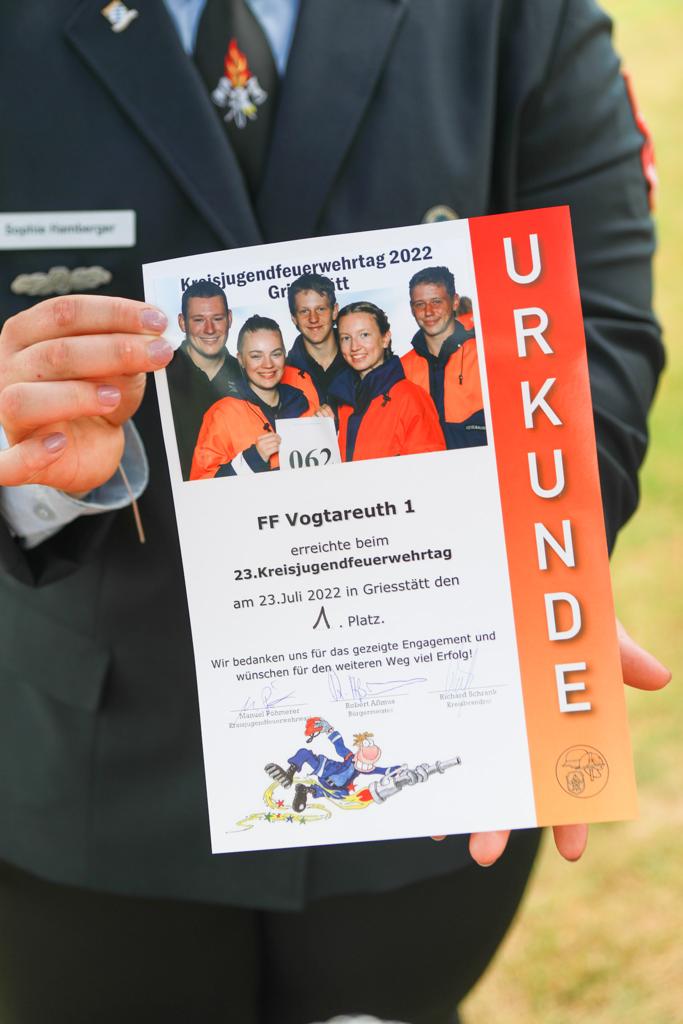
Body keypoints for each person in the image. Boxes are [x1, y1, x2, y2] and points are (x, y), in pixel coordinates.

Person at [0, 3, 671, 1022]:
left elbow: (594, 324)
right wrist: (33, 456)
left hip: (432, 745)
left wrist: (555, 543)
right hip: (91, 771)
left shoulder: (512, 18)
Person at [190, 314, 316, 478]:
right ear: (241, 360)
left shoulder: (306, 406)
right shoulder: (222, 414)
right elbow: (202, 485)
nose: (268, 364)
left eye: (276, 354)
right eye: (256, 356)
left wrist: (330, 430)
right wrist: (252, 460)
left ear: (285, 355)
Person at [329, 301, 446, 461]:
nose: (354, 347)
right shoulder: (341, 402)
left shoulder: (410, 398)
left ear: (385, 338)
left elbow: (429, 469)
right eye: (346, 338)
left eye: (364, 335)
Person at [402, 266, 487, 450]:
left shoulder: (484, 356)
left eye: (436, 301)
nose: (428, 311)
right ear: (412, 309)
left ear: (455, 302)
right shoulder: (401, 370)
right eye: (420, 304)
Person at [166, 280, 242, 478]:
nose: (209, 329)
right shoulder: (160, 376)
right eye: (199, 320)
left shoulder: (250, 377)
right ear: (182, 323)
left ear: (229, 319)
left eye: (217, 318)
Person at [286, 272, 348, 405]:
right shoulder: (283, 373)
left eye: (320, 309)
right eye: (304, 311)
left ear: (334, 311)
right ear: (294, 318)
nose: (313, 319)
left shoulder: (358, 359)